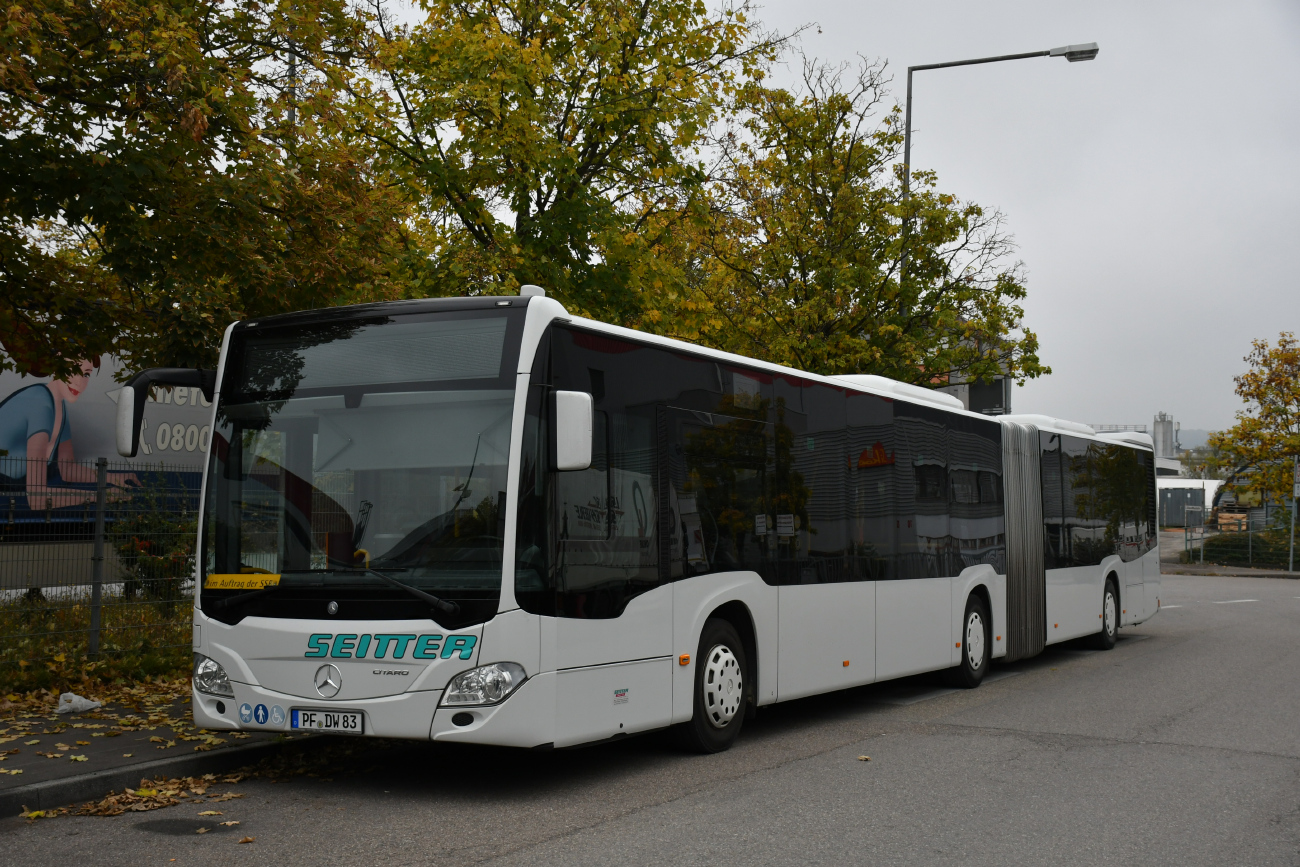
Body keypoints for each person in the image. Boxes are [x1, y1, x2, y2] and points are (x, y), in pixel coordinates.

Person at [0, 358, 137, 509]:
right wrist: (99, 495)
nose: (79, 382)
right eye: (74, 370)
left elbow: (67, 469)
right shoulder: (40, 404)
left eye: (86, 374)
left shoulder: (58, 405)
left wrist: (111, 477)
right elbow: (37, 499)